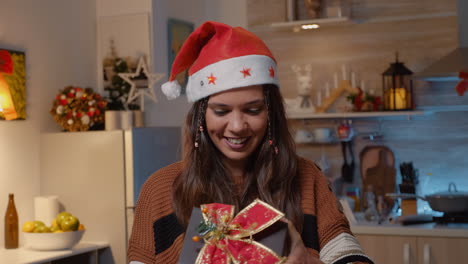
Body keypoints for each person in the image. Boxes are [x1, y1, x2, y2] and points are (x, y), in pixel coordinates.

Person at [128, 21, 373, 264]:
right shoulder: (159, 189)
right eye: (221, 111)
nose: (237, 126)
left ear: (271, 114)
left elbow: (350, 257)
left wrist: (309, 262)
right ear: (201, 116)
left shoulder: (308, 178)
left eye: (253, 110)